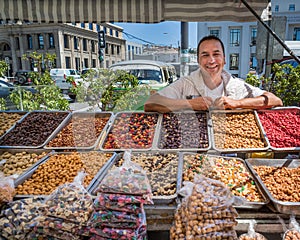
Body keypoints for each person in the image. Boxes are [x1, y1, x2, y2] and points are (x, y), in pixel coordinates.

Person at [144, 35, 283, 113]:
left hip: (229, 153)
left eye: (216, 54)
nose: (211, 60)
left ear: (224, 59)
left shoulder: (235, 84)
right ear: (198, 60)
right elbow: (151, 103)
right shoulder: (186, 83)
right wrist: (189, 104)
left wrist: (237, 103)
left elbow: (275, 100)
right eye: (205, 55)